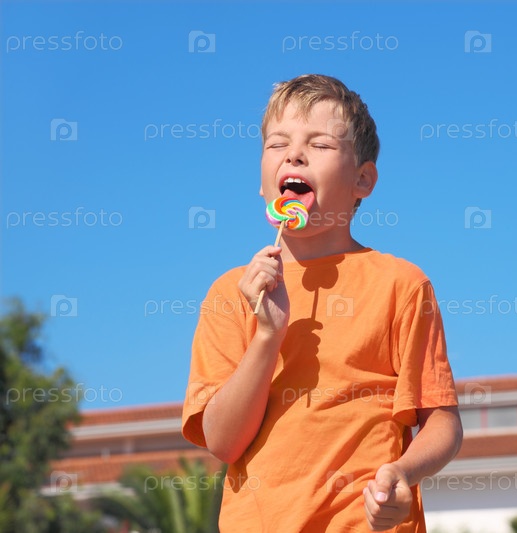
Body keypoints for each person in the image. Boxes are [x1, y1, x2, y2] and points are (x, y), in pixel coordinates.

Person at [181, 74, 462, 532]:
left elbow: (443, 422)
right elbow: (223, 442)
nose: (293, 154)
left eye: (320, 144)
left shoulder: (402, 284)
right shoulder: (231, 294)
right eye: (277, 144)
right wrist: (268, 335)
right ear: (262, 184)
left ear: (362, 180)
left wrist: (402, 474)